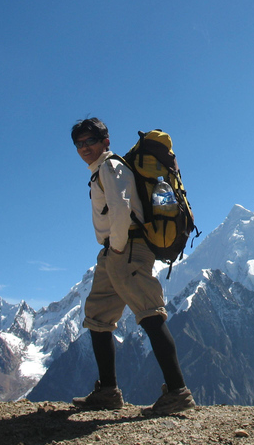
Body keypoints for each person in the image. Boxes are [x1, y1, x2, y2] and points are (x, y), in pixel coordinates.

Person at [69, 117, 195, 415]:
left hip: (126, 248)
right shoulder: (104, 169)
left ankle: (178, 392)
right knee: (97, 317)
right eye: (79, 144)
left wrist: (116, 248)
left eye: (90, 141)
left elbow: (122, 209)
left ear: (105, 141)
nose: (84, 148)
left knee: (151, 314)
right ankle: (108, 392)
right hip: (114, 252)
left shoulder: (111, 167)